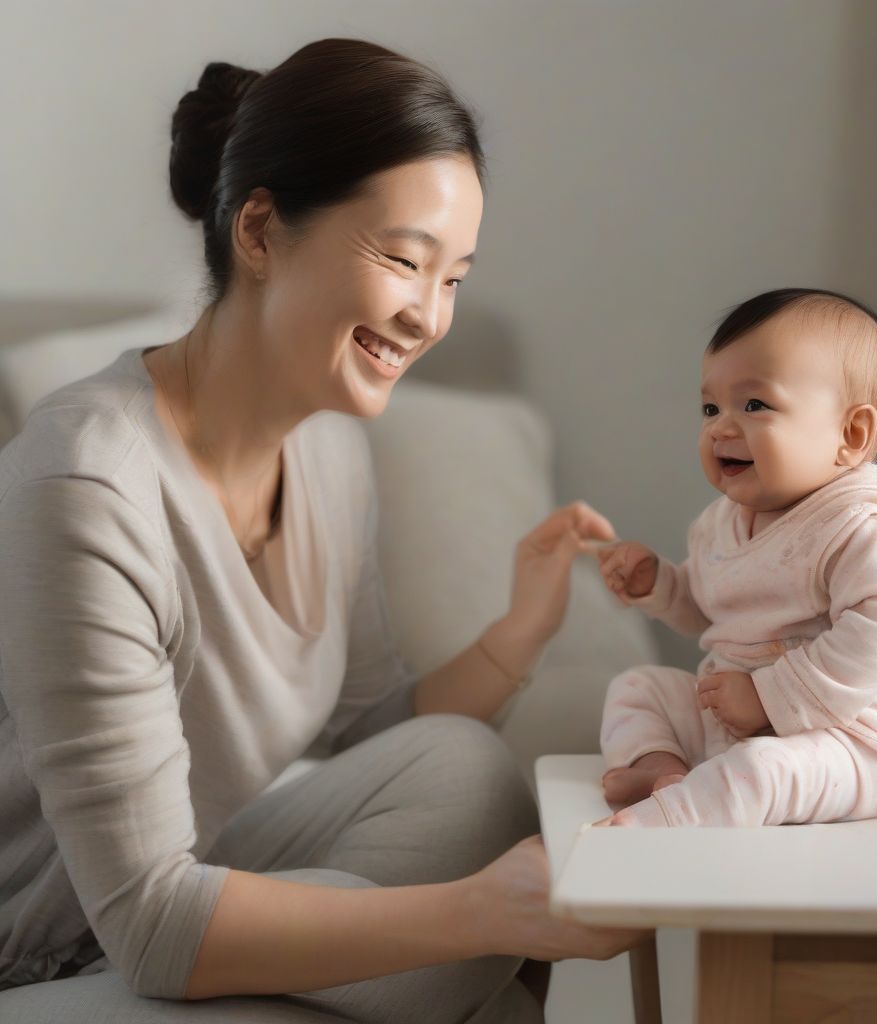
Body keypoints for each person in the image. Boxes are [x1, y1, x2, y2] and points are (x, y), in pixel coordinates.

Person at [0, 38, 646, 1021]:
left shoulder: (329, 448)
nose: (429, 316)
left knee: (466, 774)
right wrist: (478, 916)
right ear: (258, 229)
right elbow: (150, 921)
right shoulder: (88, 485)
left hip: (192, 884)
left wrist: (518, 632)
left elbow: (366, 735)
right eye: (403, 259)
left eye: (455, 278)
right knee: (478, 978)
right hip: (55, 953)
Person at [594, 288, 877, 828]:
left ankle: (673, 819)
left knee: (763, 770)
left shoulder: (859, 524)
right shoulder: (721, 522)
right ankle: (662, 768)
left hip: (858, 740)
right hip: (746, 713)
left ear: (851, 435)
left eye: (755, 405)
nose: (720, 426)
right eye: (710, 407)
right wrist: (663, 585)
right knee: (638, 688)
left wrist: (769, 698)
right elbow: (714, 608)